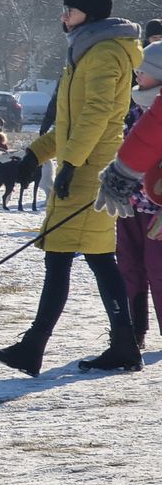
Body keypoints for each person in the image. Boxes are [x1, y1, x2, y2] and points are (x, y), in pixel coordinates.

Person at [0, 0, 143, 375]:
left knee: (64, 260)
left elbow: (95, 117)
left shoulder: (106, 54)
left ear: (87, 13)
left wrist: (71, 163)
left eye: (69, 10)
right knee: (98, 260)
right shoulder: (85, 51)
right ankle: (122, 344)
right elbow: (69, 124)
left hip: (91, 171)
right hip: (84, 166)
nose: (63, 16)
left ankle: (35, 347)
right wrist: (32, 156)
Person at [93, 39, 162, 349]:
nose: (137, 76)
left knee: (157, 269)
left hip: (157, 209)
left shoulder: (156, 108)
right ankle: (133, 332)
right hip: (131, 204)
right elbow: (131, 145)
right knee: (129, 267)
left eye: (143, 72)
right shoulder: (135, 107)